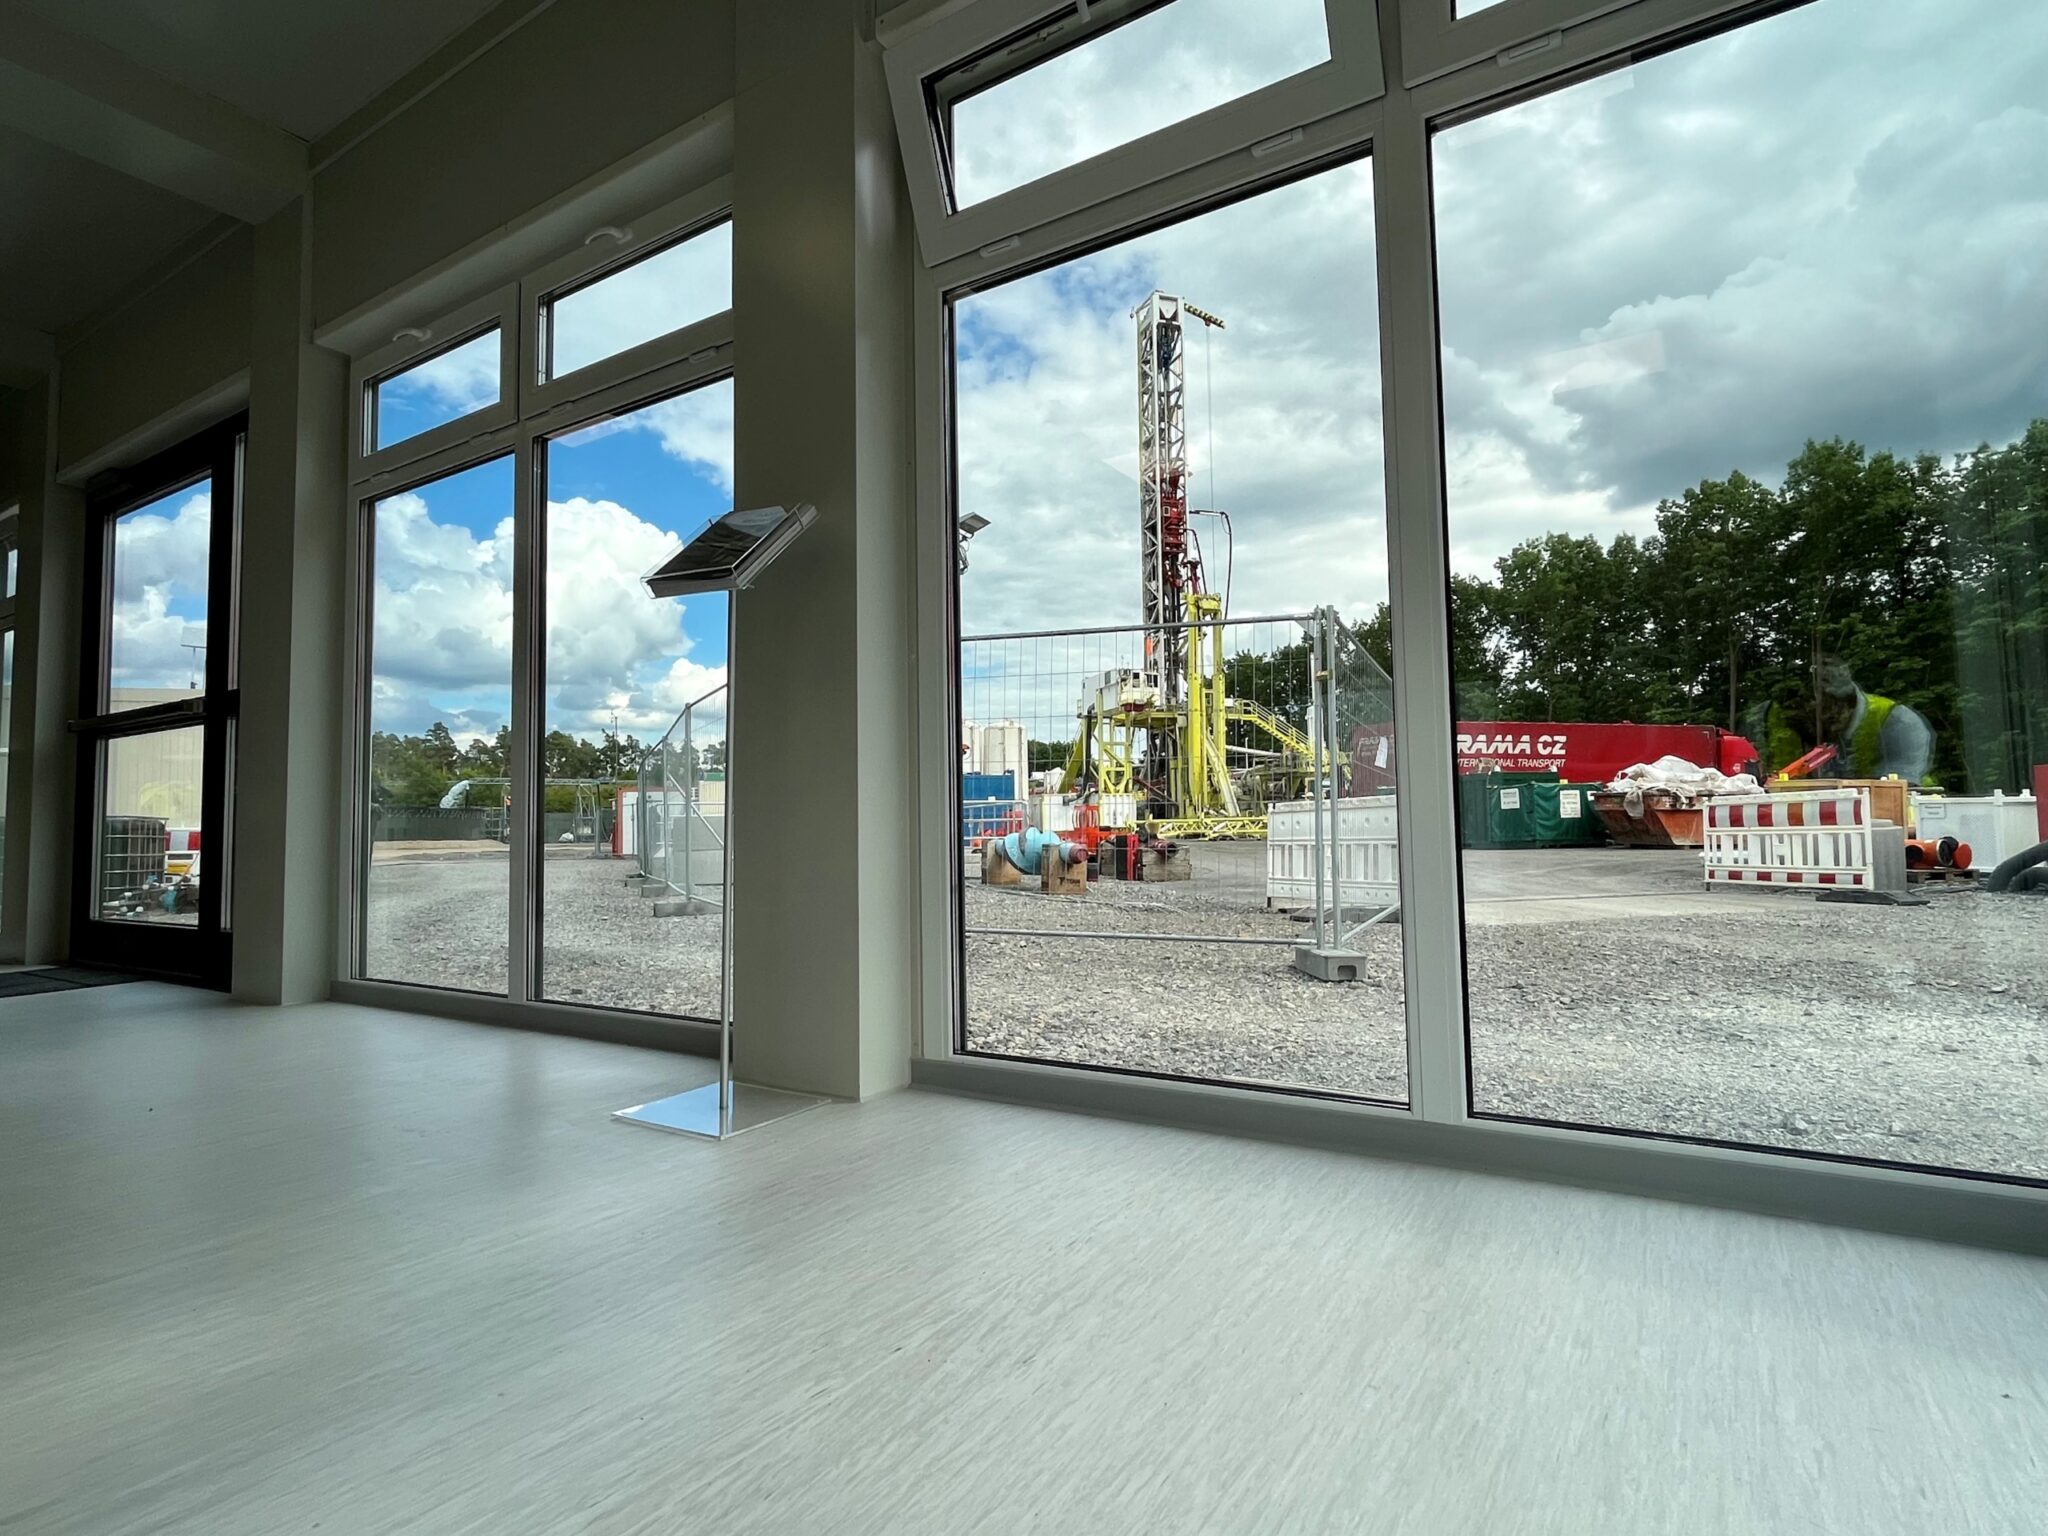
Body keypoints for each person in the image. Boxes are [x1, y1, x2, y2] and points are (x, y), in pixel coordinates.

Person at [1755, 654, 1934, 782]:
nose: (1803, 714)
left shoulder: (1896, 721)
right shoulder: (1775, 718)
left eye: (1816, 707)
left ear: (1845, 704)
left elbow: (1898, 791)